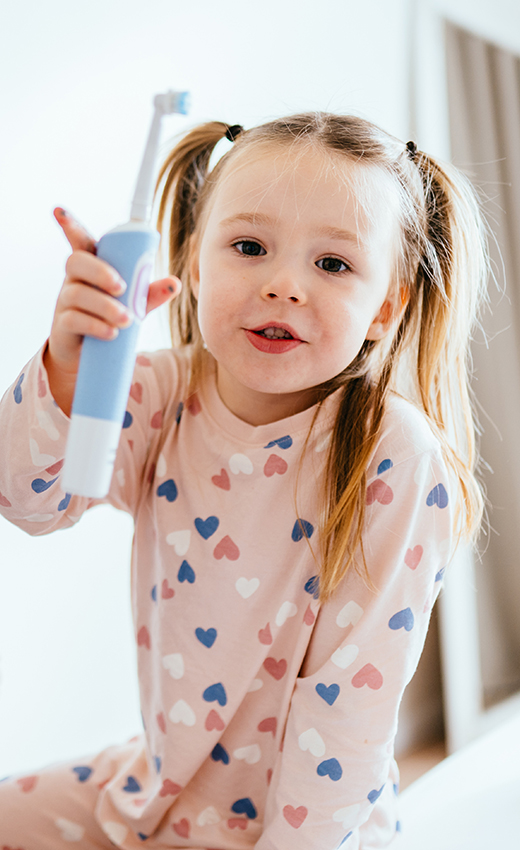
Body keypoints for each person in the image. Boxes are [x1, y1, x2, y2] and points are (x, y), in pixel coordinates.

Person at [0, 112, 487, 849]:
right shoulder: (160, 392)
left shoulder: (396, 457)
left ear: (385, 308)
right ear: (196, 265)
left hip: (306, 828)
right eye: (250, 247)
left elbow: (345, 724)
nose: (284, 285)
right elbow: (26, 501)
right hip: (155, 791)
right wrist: (70, 372)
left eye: (332, 264)